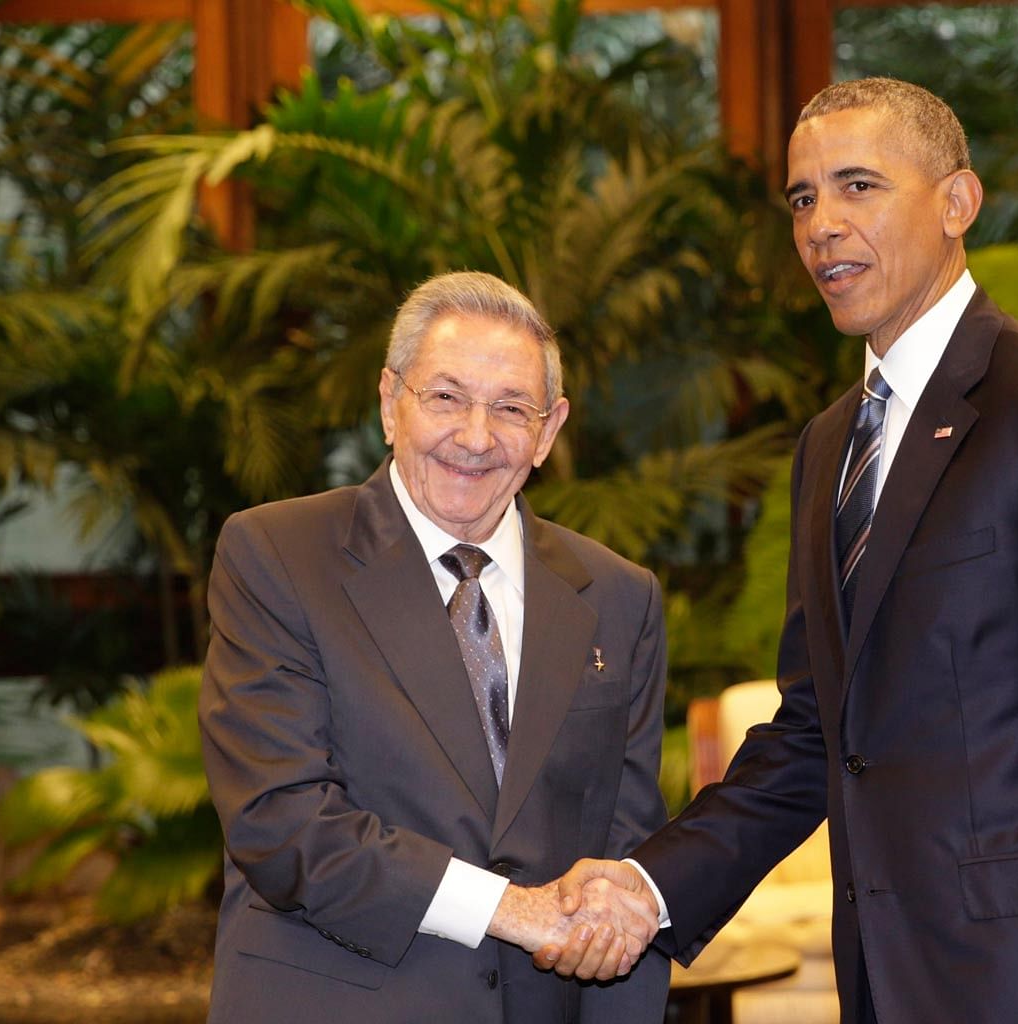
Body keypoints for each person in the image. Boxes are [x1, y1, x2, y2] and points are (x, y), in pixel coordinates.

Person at [547, 78, 1018, 1022]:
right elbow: (817, 732)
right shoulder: (828, 444)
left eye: (859, 186)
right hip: (886, 986)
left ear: (957, 203)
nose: (821, 226)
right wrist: (650, 886)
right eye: (804, 198)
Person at [200, 271, 667, 1023]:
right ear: (390, 403)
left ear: (548, 432)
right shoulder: (278, 556)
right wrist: (509, 910)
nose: (476, 438)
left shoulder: (619, 597)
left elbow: (626, 853)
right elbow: (280, 819)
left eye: (511, 408)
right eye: (445, 397)